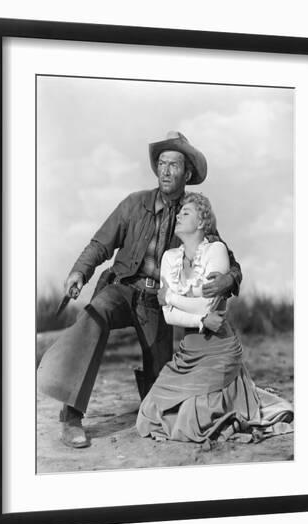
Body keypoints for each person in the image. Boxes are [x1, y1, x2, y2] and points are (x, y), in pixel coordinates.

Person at [38, 131, 242, 448]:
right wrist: (80, 270)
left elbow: (228, 260)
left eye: (173, 165)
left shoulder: (193, 216)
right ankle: (72, 416)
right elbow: (100, 243)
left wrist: (229, 279)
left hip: (157, 304)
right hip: (122, 288)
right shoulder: (134, 204)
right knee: (93, 315)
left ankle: (149, 401)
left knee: (159, 396)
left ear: (187, 173)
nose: (165, 170)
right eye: (161, 163)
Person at [136, 192, 294, 445]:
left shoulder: (216, 250)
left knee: (192, 417)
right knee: (149, 411)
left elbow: (205, 305)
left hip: (219, 348)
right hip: (188, 351)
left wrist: (171, 297)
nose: (177, 216)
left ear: (201, 222)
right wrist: (198, 320)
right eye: (178, 212)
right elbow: (169, 316)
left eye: (185, 213)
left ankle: (234, 394)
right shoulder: (169, 258)